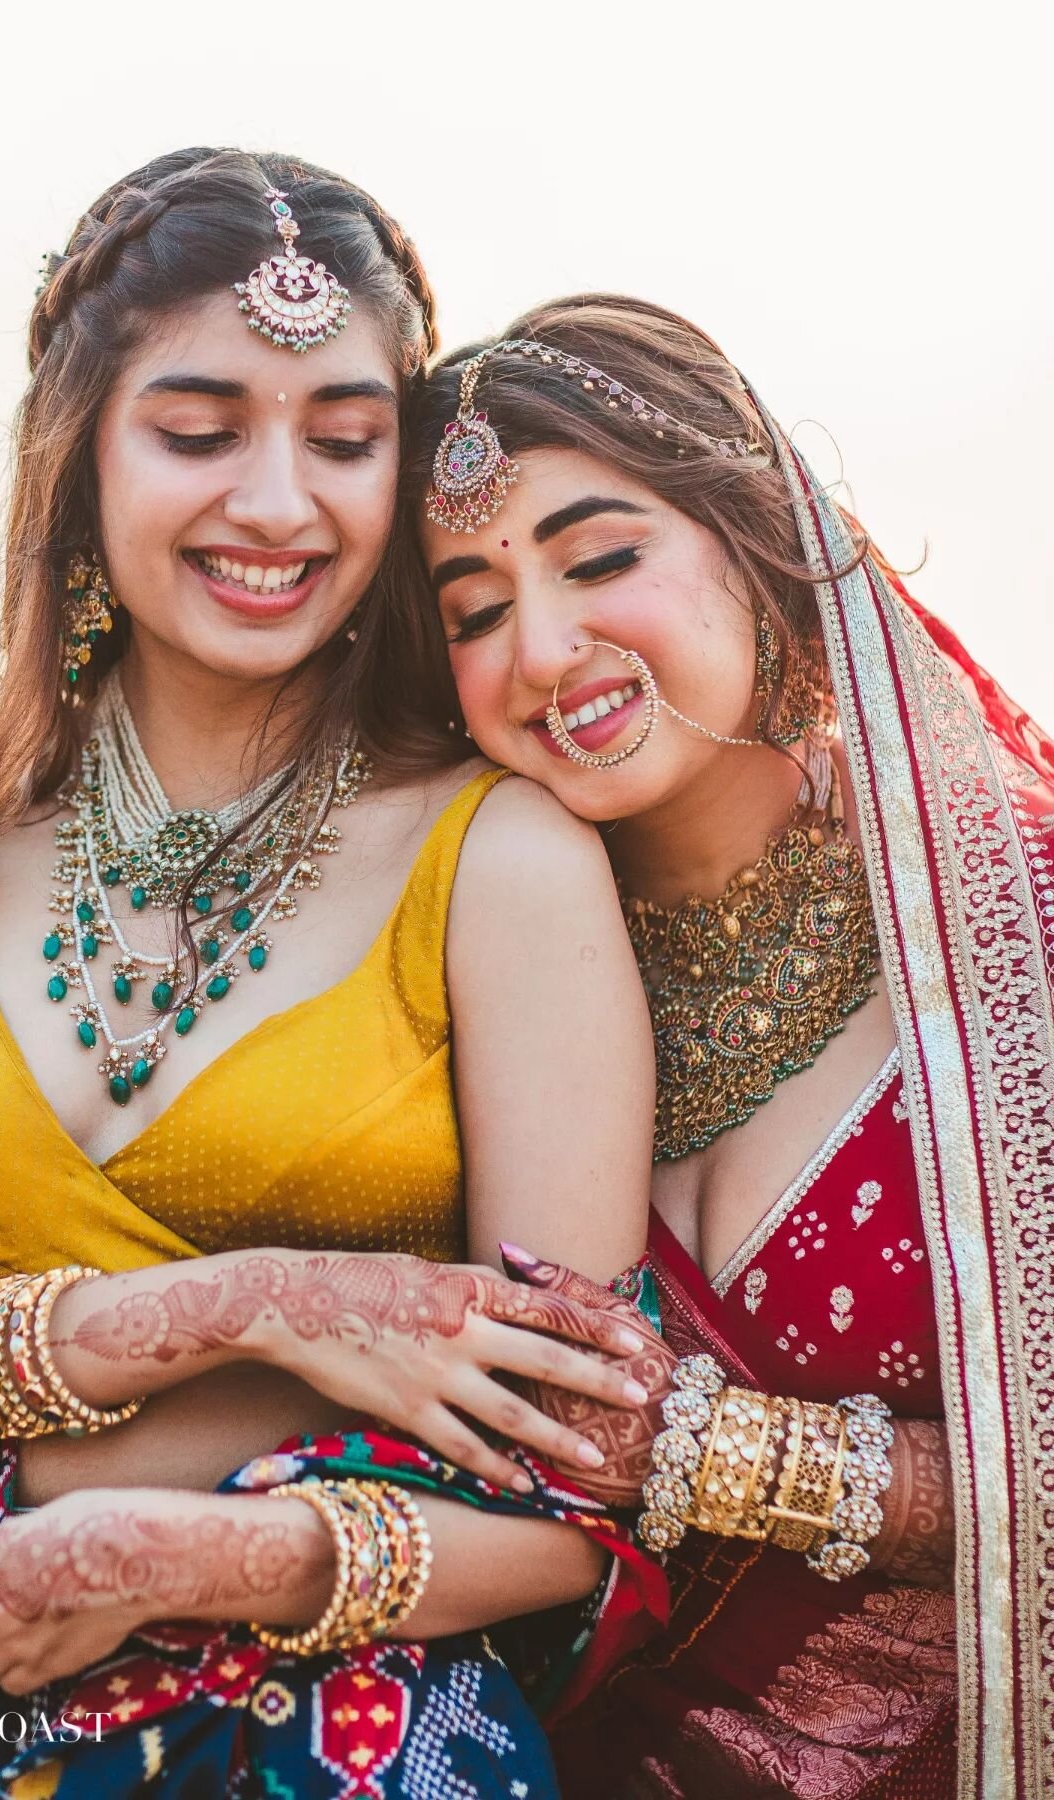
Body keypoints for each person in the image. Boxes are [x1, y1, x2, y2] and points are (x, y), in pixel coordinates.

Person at [0, 161, 670, 1800]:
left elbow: (577, 1482)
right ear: (78, 457)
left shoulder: (504, 860)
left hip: (313, 1739)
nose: (280, 504)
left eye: (345, 440)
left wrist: (194, 1557)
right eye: (200, 432)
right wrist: (274, 1305)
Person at [410, 294, 1054, 1798]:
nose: (545, 647)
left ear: (757, 537)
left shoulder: (1012, 928)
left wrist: (697, 1455)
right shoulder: (475, 965)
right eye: (472, 609)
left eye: (600, 557)